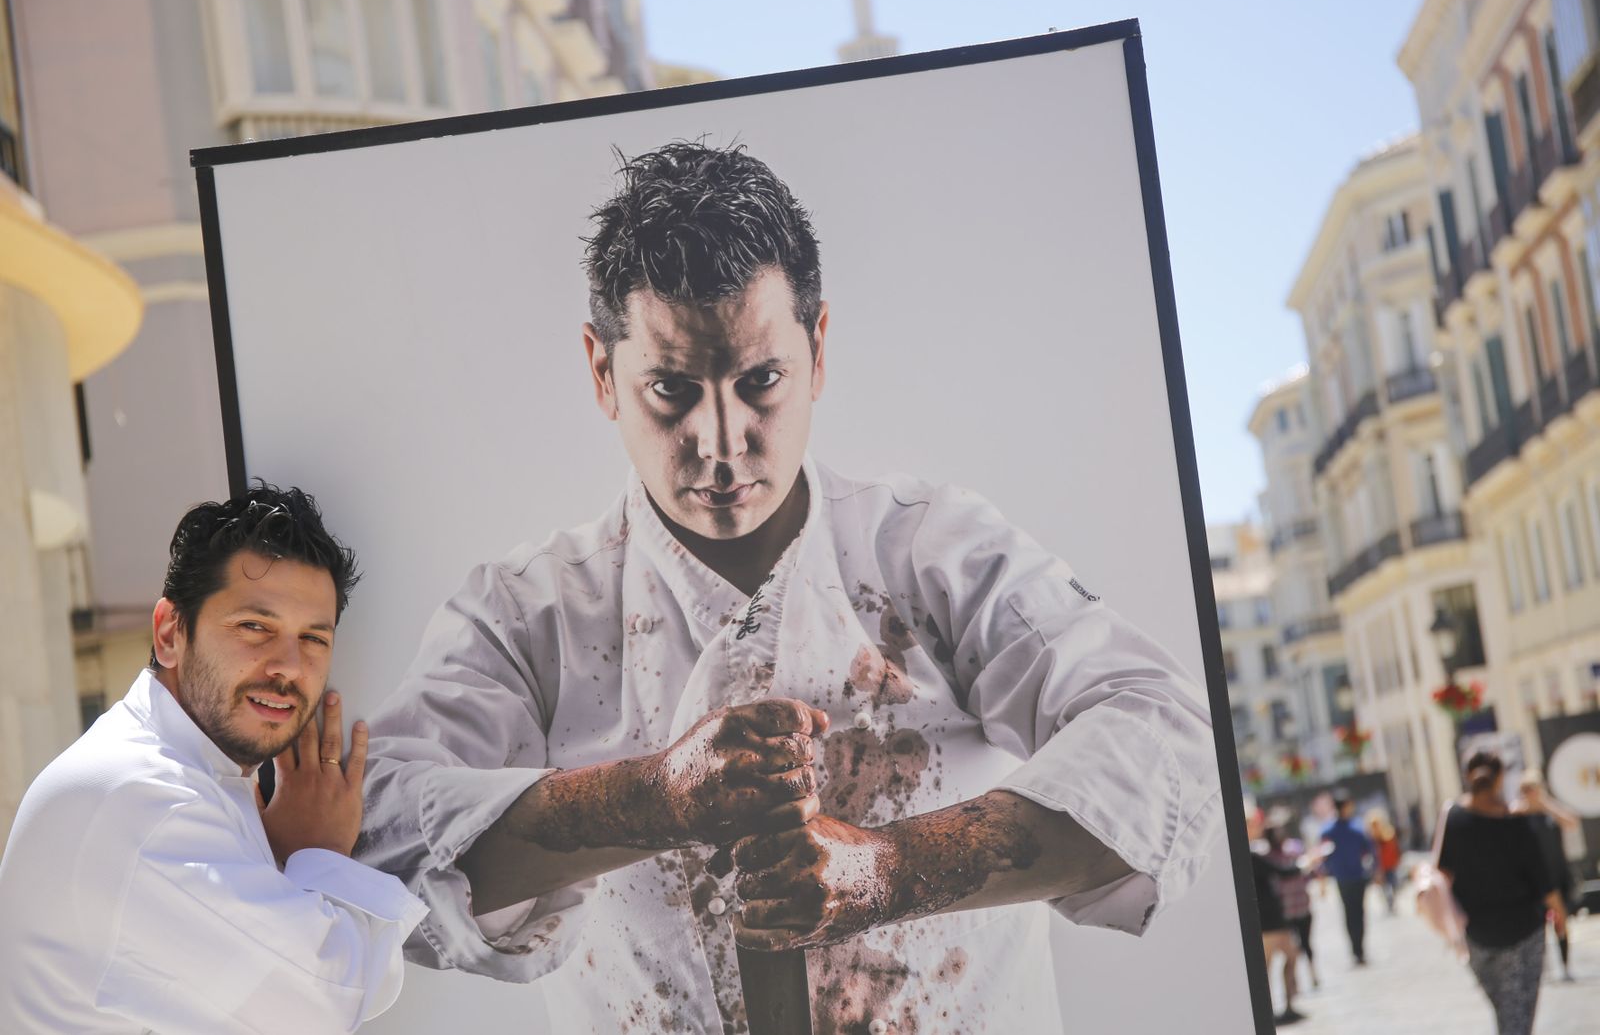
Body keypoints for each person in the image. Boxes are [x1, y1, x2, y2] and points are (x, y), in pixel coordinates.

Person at [357, 141, 1221, 1032]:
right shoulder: (526, 616)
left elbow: (1165, 734)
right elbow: (365, 834)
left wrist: (888, 870)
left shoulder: (931, 552)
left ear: (817, 349)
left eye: (760, 380)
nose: (723, 441)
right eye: (671, 389)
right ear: (600, 371)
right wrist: (645, 799)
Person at [0, 485, 426, 1034]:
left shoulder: (180, 775)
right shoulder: (147, 802)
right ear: (170, 633)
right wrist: (317, 857)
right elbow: (326, 1001)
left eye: (314, 639)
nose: (289, 667)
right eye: (255, 627)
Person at [1437, 751, 1558, 1035]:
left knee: (1507, 1013)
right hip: (1523, 930)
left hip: (1476, 934)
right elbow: (1540, 875)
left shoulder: (1453, 818)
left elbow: (1442, 874)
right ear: (1500, 778)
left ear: (1467, 776)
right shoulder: (1515, 821)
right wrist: (1560, 912)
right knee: (1517, 1016)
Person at [1513, 771, 1579, 981]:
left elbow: (1571, 823)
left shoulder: (1550, 812)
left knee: (1561, 921)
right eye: (1526, 790)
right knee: (1536, 925)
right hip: (1531, 880)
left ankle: (1565, 965)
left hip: (1556, 873)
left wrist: (1545, 803)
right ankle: (1542, 969)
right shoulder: (1518, 815)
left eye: (1533, 789)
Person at [1249, 810, 1307, 1026]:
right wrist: (1305, 863)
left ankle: (1286, 1005)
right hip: (1268, 920)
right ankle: (1269, 1012)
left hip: (1273, 918)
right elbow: (1283, 872)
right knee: (1268, 965)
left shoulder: (1255, 853)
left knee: (1289, 958)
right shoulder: (1251, 854)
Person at [1320, 791, 1374, 965]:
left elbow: (1369, 850)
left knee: (1359, 912)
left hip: (1358, 876)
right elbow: (1323, 855)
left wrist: (1375, 870)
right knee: (1350, 912)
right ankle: (1355, 949)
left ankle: (1360, 947)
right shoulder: (1329, 830)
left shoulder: (1357, 827)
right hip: (1343, 878)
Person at [1266, 820, 1319, 990]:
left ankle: (1309, 976)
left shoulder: (1293, 849)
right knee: (1293, 949)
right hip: (1287, 909)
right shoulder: (1268, 857)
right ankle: (1296, 983)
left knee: (1304, 944)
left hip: (1297, 905)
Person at [1366, 808, 1402, 914]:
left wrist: (1397, 859)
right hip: (1380, 866)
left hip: (1390, 864)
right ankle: (1389, 903)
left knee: (1393, 884)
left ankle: (1392, 901)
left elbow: (1395, 848)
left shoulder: (1388, 833)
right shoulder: (1371, 839)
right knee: (1384, 887)